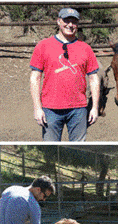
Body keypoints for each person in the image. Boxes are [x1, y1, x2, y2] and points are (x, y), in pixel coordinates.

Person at [30, 8, 100, 141]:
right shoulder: (43, 46)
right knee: (51, 146)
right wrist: (37, 108)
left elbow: (94, 78)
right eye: (66, 20)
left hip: (78, 108)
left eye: (74, 21)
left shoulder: (86, 48)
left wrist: (94, 108)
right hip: (50, 108)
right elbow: (35, 78)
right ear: (58, 22)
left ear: (77, 25)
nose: (70, 25)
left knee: (79, 144)